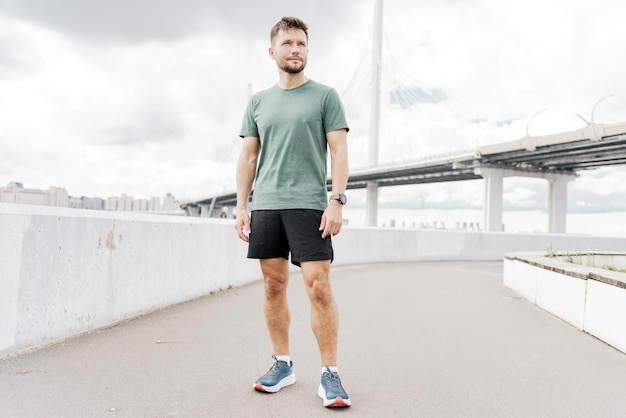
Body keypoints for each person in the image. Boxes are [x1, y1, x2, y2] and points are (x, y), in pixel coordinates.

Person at [234, 16, 351, 408]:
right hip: (266, 204)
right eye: (287, 44)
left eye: (301, 43)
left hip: (309, 204)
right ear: (273, 52)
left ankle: (330, 373)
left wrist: (336, 199)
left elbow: (339, 151)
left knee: (318, 286)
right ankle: (282, 364)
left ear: (307, 50)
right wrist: (241, 206)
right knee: (273, 285)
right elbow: (248, 157)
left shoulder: (325, 96)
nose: (295, 49)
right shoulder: (258, 102)